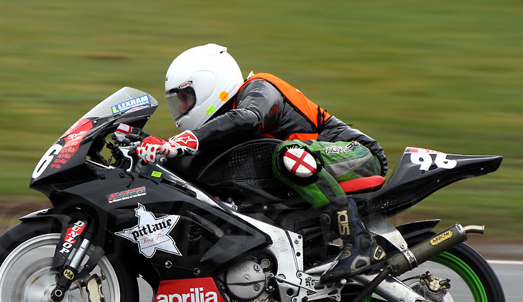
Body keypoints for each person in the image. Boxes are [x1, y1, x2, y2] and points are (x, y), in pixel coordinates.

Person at [134, 43, 387, 283]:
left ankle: (359, 241)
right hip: (320, 168)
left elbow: (248, 118)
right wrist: (150, 147)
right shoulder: (227, 119)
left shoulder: (259, 88)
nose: (181, 107)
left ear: (211, 84)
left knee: (288, 155)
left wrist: (181, 141)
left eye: (186, 98)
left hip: (358, 155)